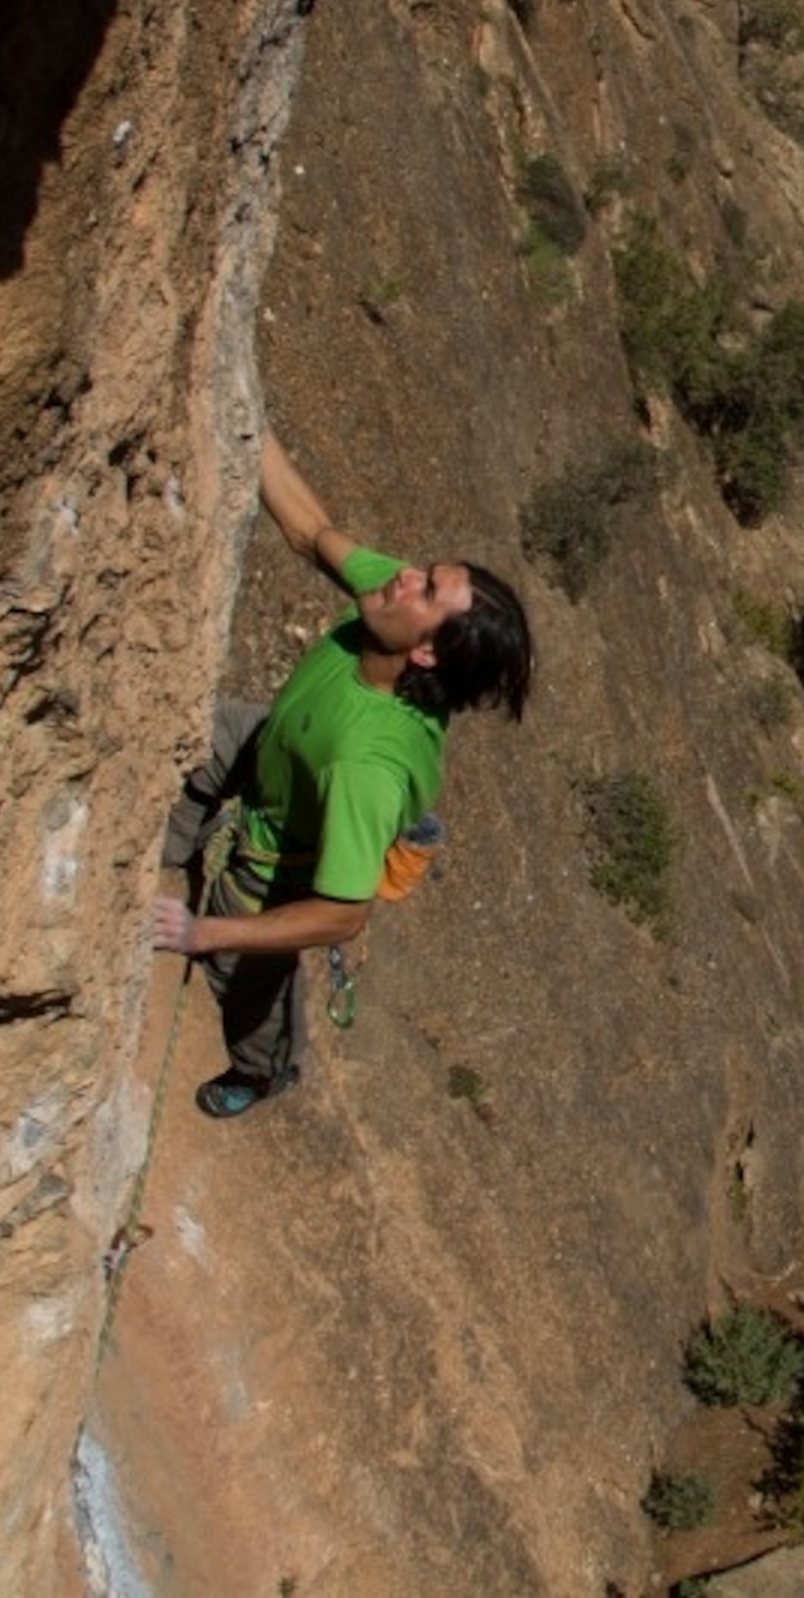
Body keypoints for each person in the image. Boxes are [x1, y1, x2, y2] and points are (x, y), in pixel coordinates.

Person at [149, 427, 533, 1117]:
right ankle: (151, 852)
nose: (404, 574)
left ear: (424, 656)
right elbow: (310, 529)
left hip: (280, 848)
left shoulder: (367, 768)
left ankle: (264, 1070)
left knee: (239, 977)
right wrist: (246, 417)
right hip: (277, 747)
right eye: (425, 568)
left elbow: (342, 915)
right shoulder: (390, 607)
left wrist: (204, 933)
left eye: (427, 588)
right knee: (187, 733)